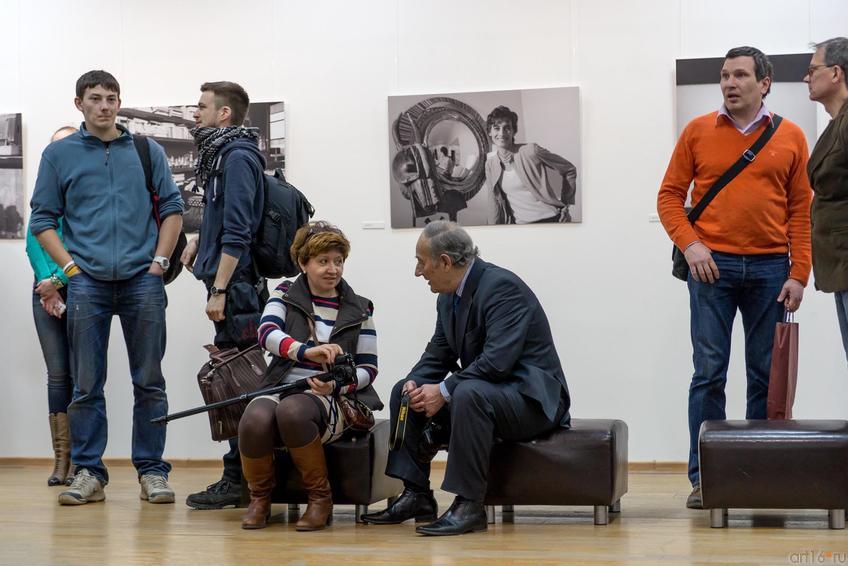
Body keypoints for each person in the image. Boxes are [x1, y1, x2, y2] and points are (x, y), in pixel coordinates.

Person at [657, 46, 812, 509]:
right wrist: (692, 244)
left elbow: (801, 209)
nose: (730, 83)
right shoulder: (698, 131)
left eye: (740, 75)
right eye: (725, 75)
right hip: (711, 268)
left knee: (766, 376)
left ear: (764, 83)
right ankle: (707, 478)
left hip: (770, 270)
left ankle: (761, 472)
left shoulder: (791, 136)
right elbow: (668, 197)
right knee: (708, 374)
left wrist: (799, 272)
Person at [29, 70, 184, 506]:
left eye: (112, 98)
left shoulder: (145, 149)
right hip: (88, 284)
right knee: (86, 385)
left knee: (150, 382)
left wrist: (160, 262)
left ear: (119, 102)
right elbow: (42, 220)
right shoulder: (58, 155)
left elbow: (172, 208)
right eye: (95, 98)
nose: (105, 106)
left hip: (142, 282)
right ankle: (89, 473)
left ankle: (152, 471)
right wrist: (71, 270)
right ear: (79, 103)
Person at [362, 221, 570, 536]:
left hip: (532, 400)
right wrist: (415, 382)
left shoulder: (502, 287)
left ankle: (470, 505)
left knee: (467, 393)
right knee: (405, 390)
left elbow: (498, 362)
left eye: (421, 261)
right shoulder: (447, 297)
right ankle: (416, 494)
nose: (418, 272)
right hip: (488, 394)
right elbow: (438, 354)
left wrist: (444, 391)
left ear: (444, 261)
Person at [238, 221, 380, 530]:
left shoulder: (360, 309)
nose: (333, 269)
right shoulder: (286, 292)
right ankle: (259, 499)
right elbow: (266, 333)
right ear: (303, 262)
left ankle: (320, 499)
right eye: (323, 261)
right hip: (280, 386)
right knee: (254, 416)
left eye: (338, 261)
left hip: (331, 398)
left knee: (293, 410)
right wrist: (305, 352)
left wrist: (338, 386)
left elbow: (369, 368)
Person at [181, 81, 270, 510]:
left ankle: (242, 480)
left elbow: (240, 232)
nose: (195, 112)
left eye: (201, 106)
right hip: (231, 286)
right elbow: (221, 220)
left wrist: (219, 289)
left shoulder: (236, 157)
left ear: (225, 114)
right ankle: (244, 477)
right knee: (236, 381)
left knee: (238, 385)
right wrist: (200, 242)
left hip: (236, 290)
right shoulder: (221, 155)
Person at [25, 125, 77, 486]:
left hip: (82, 290)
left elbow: (86, 247)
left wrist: (58, 282)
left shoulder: (85, 194)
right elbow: (34, 241)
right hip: (44, 292)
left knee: (85, 376)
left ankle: (84, 461)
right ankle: (62, 461)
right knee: (58, 374)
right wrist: (47, 288)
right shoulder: (46, 191)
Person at [805, 37, 848, 359]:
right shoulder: (838, 123)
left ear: (836, 73)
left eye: (813, 69)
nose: (807, 77)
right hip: (839, 263)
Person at [484, 105, 577, 224]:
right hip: (520, 226)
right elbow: (493, 202)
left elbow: (569, 169)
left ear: (513, 131)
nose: (502, 133)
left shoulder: (531, 150)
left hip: (550, 220)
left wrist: (566, 204)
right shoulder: (490, 164)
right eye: (496, 128)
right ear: (490, 132)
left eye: (507, 128)